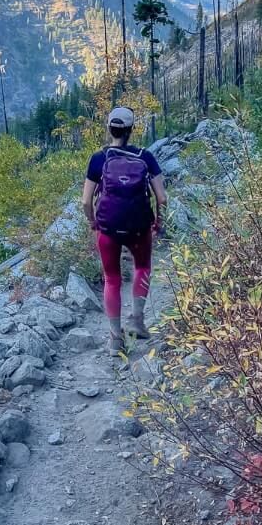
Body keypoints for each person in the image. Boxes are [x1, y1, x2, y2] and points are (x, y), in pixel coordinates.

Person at [82, 106, 167, 355]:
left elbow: (86, 202)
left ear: (109, 128)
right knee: (142, 267)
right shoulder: (146, 157)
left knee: (112, 279)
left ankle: (115, 339)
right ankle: (137, 321)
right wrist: (158, 222)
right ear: (131, 130)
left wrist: (92, 221)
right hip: (139, 226)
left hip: (108, 227)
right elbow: (162, 198)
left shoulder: (99, 158)